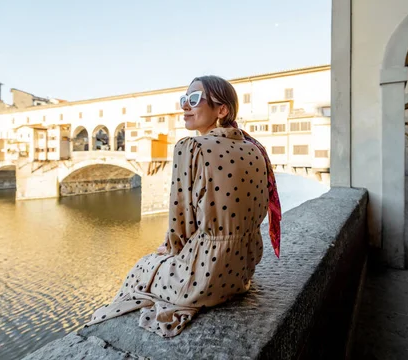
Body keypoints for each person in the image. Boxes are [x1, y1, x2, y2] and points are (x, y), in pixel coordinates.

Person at [87, 75, 282, 337]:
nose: (184, 106)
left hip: (203, 279)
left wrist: (167, 251)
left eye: (194, 99)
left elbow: (181, 227)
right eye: (184, 99)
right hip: (242, 274)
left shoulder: (191, 147)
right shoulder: (255, 150)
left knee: (143, 267)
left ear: (221, 110)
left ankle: (104, 335)